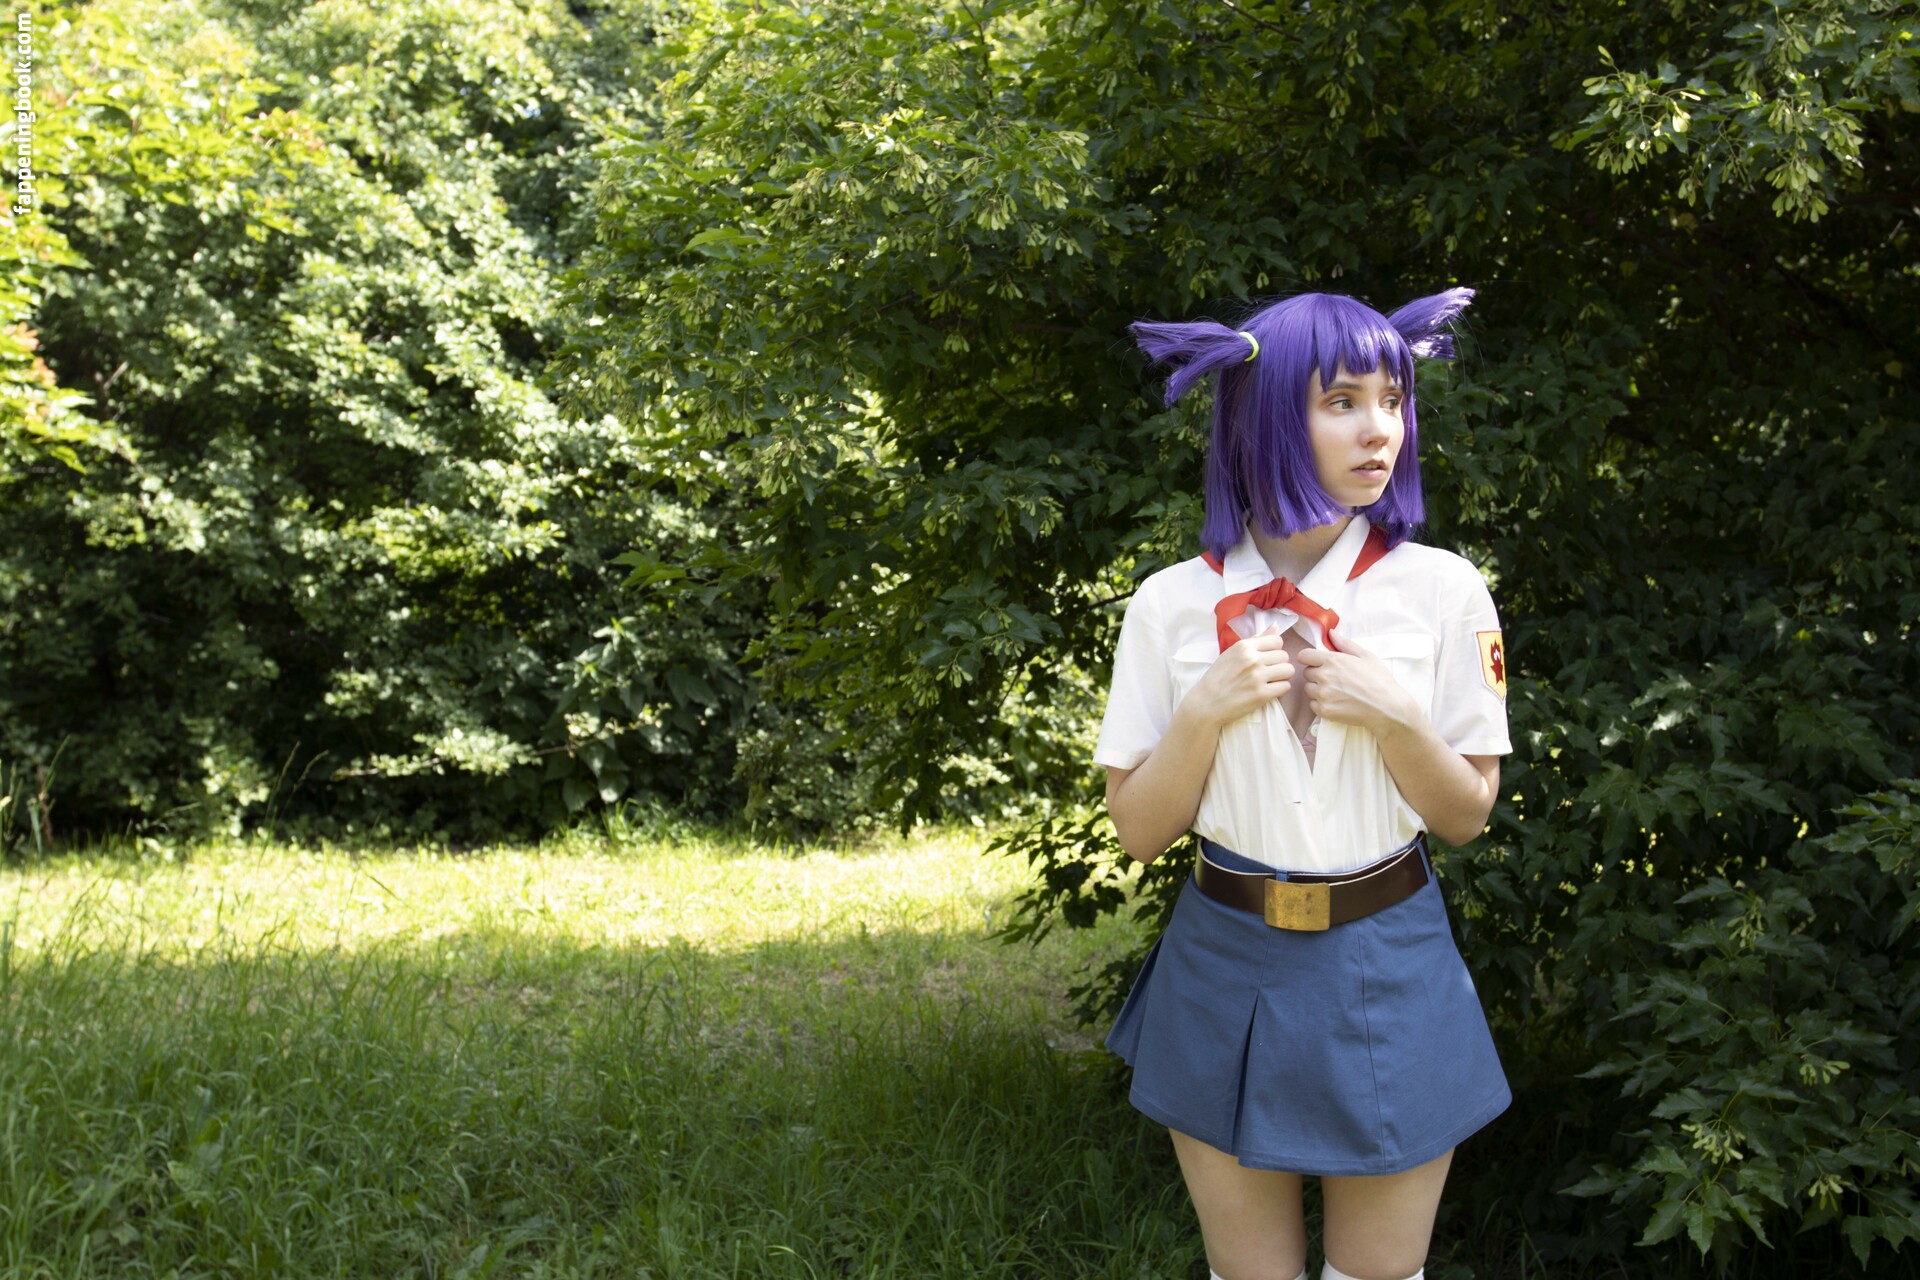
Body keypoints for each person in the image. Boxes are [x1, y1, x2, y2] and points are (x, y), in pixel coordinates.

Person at [1096, 289, 1513, 1280]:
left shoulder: (1444, 590)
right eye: (1342, 401)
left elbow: (1466, 816)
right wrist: (1203, 712)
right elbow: (1138, 831)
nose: (1381, 428)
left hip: (1390, 955)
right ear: (1269, 414)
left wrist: (1396, 716)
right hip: (1222, 959)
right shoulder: (1169, 604)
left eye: (1393, 399)